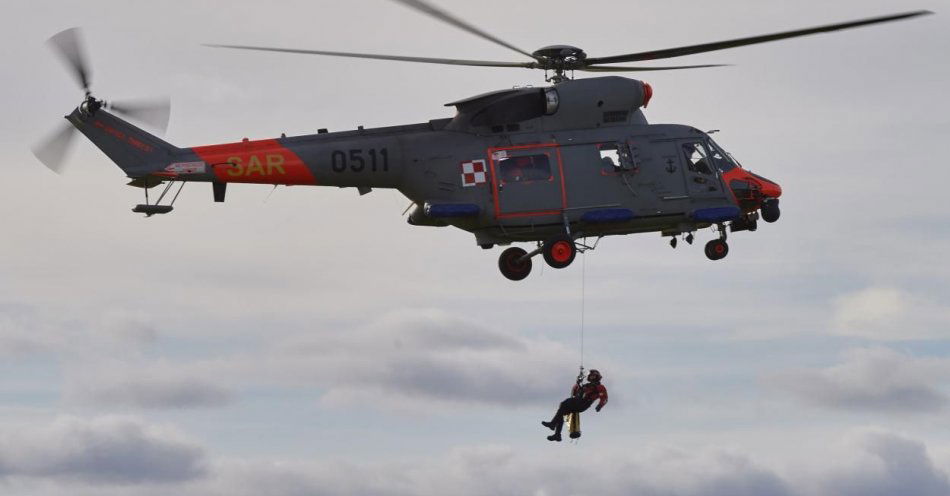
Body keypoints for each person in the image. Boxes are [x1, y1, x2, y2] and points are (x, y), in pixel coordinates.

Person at [542, 369, 608, 442]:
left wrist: (600, 406)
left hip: (584, 403)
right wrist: (578, 383)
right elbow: (574, 393)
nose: (592, 377)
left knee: (565, 403)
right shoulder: (585, 386)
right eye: (591, 376)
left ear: (597, 377)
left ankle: (552, 424)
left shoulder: (599, 386)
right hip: (577, 403)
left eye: (594, 376)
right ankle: (557, 435)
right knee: (562, 411)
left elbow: (604, 397)